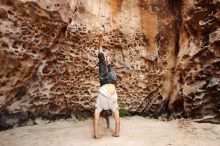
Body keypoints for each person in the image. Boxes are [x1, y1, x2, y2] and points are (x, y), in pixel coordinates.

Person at [93, 34, 120, 139]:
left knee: (102, 60)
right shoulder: (113, 106)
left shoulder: (100, 106)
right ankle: (108, 60)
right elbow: (117, 121)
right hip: (109, 81)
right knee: (106, 62)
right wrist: (116, 134)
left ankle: (100, 43)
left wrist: (97, 136)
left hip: (106, 82)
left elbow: (96, 121)